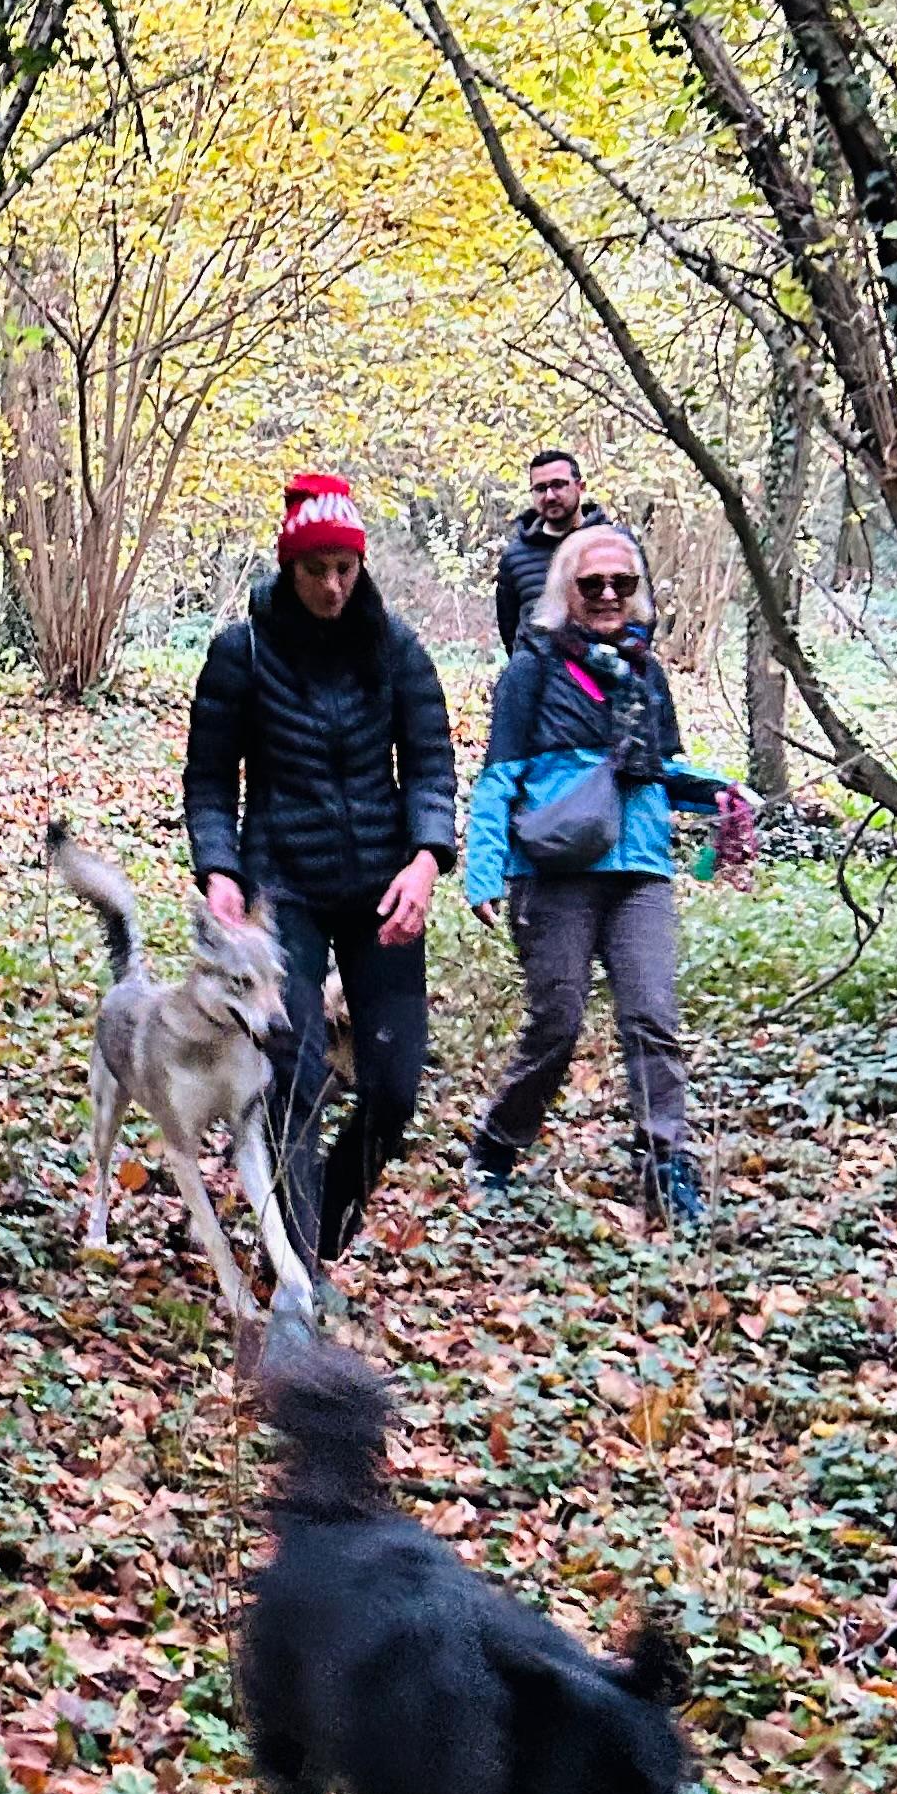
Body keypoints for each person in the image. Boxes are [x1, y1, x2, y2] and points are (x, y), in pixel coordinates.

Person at [183, 474, 458, 1292]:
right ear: (289, 568)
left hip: (382, 887)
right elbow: (209, 780)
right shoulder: (243, 652)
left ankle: (323, 1224)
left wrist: (426, 860)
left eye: (346, 568)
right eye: (316, 570)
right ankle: (298, 1277)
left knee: (395, 1088)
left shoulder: (397, 648)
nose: (333, 586)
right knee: (296, 1077)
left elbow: (431, 765)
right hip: (284, 890)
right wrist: (221, 870)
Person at [465, 522, 750, 1227]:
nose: (607, 595)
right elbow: (499, 777)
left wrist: (719, 792)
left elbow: (660, 769)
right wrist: (484, 871)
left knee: (653, 1018)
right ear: (565, 588)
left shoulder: (646, 672)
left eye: (622, 583)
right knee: (556, 1024)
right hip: (553, 868)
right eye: (591, 583)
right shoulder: (532, 669)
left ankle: (667, 1166)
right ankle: (497, 1144)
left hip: (641, 868)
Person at [495, 449, 608, 653]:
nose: (549, 496)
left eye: (558, 485)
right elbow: (509, 631)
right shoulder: (515, 558)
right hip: (538, 670)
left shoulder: (614, 546)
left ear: (580, 487)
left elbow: (640, 614)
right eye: (540, 488)